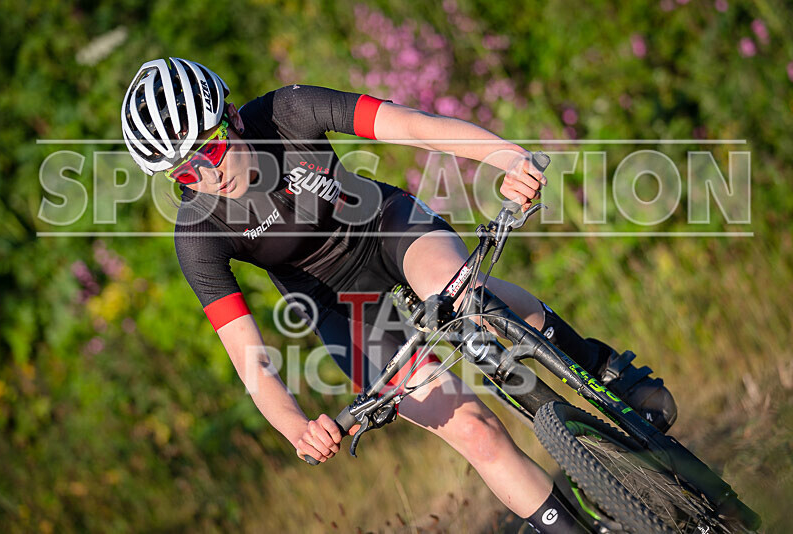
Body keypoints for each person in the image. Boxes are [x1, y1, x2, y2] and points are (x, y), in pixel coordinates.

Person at [121, 57, 676, 532]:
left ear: (233, 119)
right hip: (338, 306)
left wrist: (507, 158)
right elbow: (248, 358)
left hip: (387, 230)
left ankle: (602, 367)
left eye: (209, 150)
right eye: (183, 174)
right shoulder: (196, 234)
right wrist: (296, 427)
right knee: (475, 434)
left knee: (464, 296)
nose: (205, 175)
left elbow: (413, 126)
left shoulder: (289, 110)